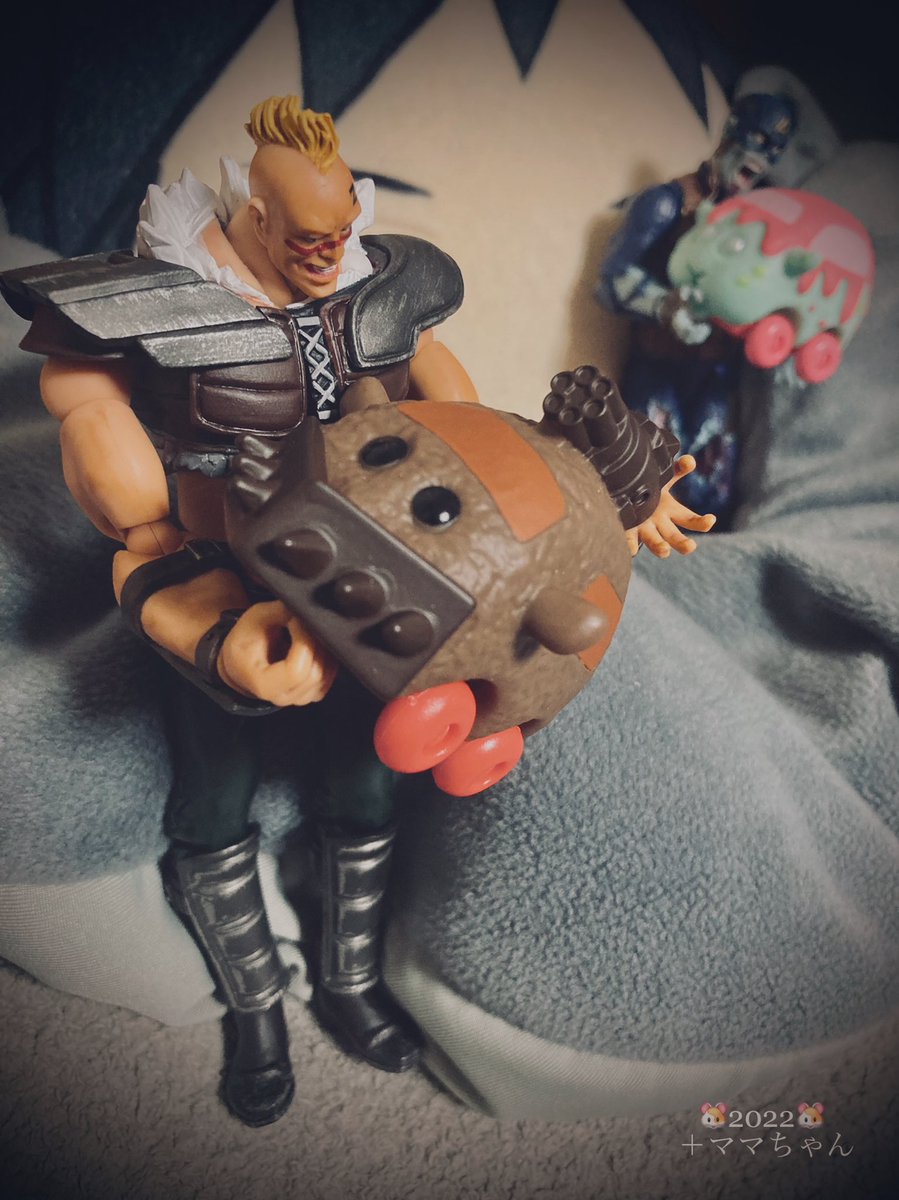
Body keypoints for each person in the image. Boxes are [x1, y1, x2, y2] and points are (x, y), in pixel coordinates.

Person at [2, 95, 711, 1127]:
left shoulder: (381, 292)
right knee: (212, 802)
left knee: (365, 790)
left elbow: (465, 431)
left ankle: (347, 982)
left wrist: (606, 494)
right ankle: (254, 1008)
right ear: (254, 215)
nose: (326, 254)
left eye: (339, 233)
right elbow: (92, 416)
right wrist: (161, 557)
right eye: (305, 238)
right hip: (225, 574)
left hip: (393, 583)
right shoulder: (163, 301)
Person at [596, 92, 797, 520]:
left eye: (775, 150)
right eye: (758, 140)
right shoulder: (668, 203)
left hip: (714, 374)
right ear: (733, 131)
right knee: (644, 482)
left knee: (710, 495)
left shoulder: (761, 218)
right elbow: (611, 280)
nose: (764, 157)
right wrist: (663, 306)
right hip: (659, 363)